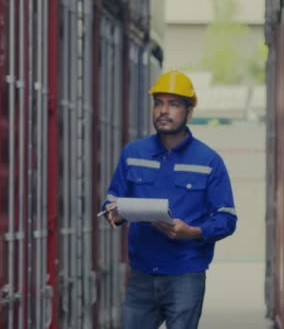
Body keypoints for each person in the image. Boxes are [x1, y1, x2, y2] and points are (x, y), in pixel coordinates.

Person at [101, 70, 238, 329]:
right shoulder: (133, 153)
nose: (164, 110)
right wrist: (113, 212)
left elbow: (227, 219)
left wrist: (194, 232)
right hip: (141, 274)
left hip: (186, 274)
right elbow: (112, 199)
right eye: (159, 103)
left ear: (189, 112)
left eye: (173, 104)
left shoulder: (208, 161)